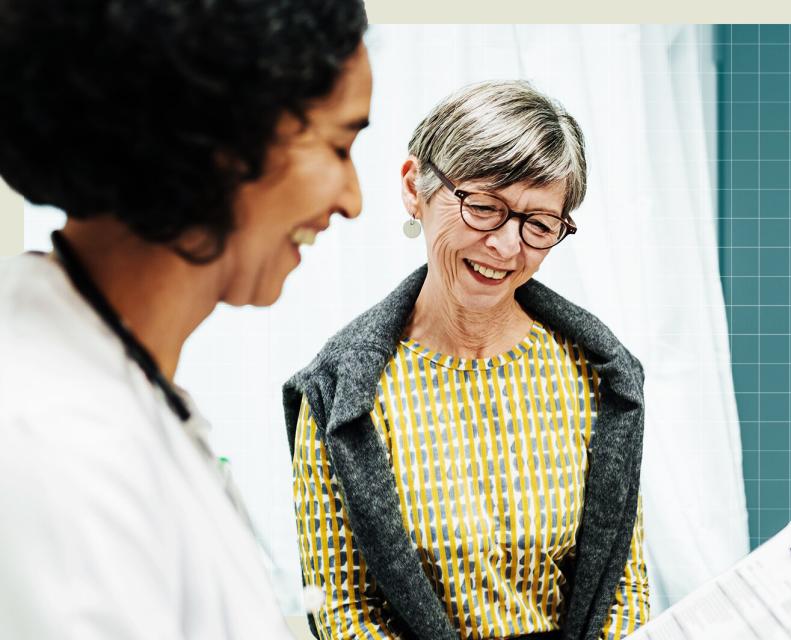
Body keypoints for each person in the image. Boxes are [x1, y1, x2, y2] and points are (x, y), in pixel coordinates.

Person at [0, 1, 371, 638]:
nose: (352, 200)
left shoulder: (116, 380)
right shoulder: (50, 442)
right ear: (223, 139)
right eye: (338, 145)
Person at [284, 81, 649, 640]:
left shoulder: (599, 375)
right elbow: (343, 611)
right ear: (415, 188)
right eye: (483, 207)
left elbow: (621, 585)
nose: (506, 247)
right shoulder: (340, 396)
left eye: (539, 224)